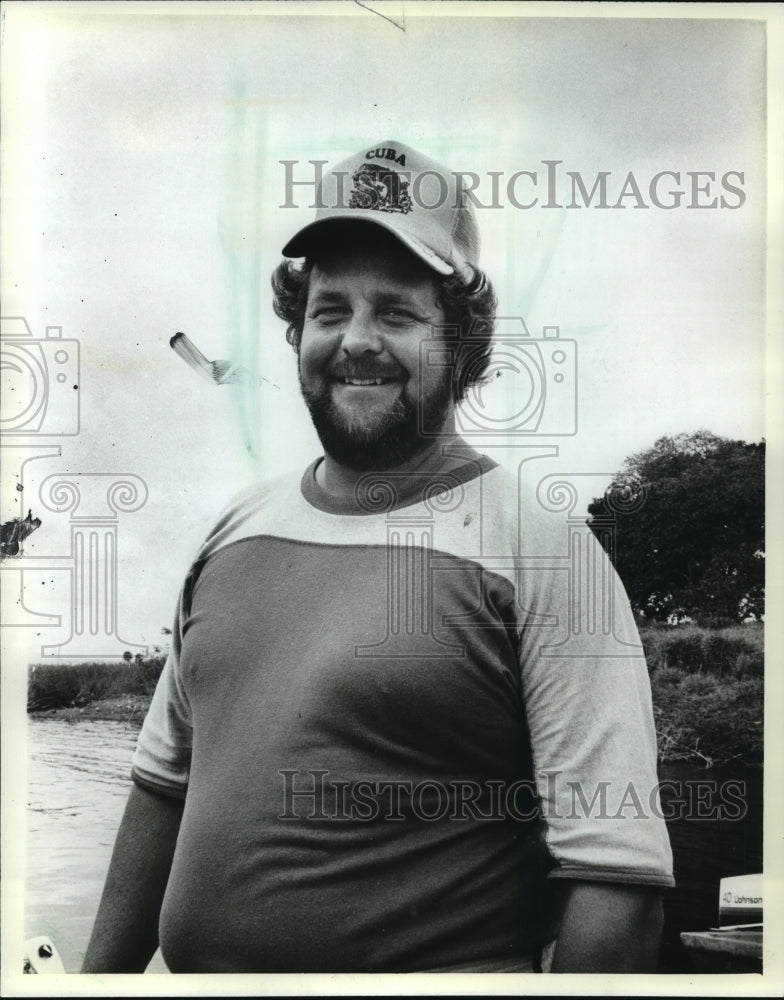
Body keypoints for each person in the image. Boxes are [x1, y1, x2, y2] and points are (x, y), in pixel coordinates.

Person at [82, 140, 673, 975]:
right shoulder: (233, 531)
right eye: (330, 311)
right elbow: (161, 791)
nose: (357, 340)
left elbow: (618, 881)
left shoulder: (544, 552)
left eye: (396, 313)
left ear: (460, 343)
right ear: (297, 331)